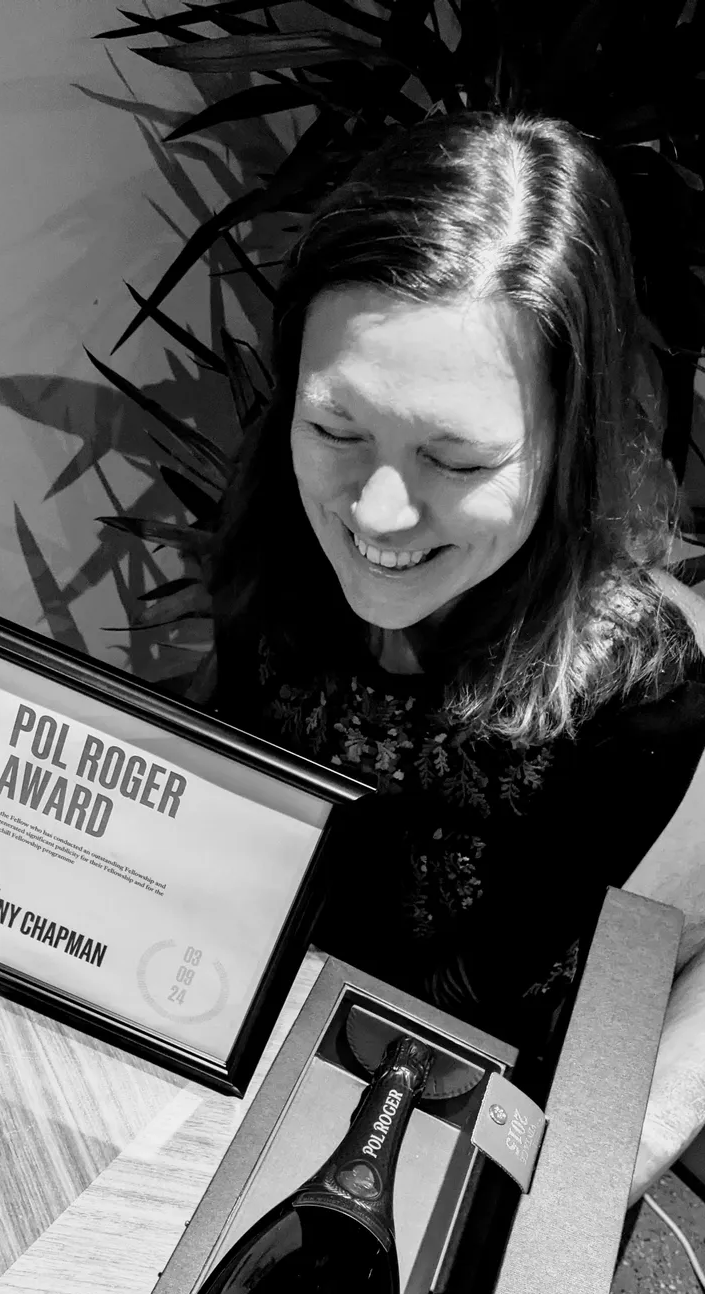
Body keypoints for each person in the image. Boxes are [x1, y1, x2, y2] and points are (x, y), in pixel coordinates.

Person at [207, 111, 705, 1198]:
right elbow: (239, 794)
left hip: (450, 1073)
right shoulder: (274, 531)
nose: (377, 514)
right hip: (245, 991)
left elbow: (490, 976)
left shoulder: (635, 682)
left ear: (566, 444)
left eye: (458, 458)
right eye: (336, 430)